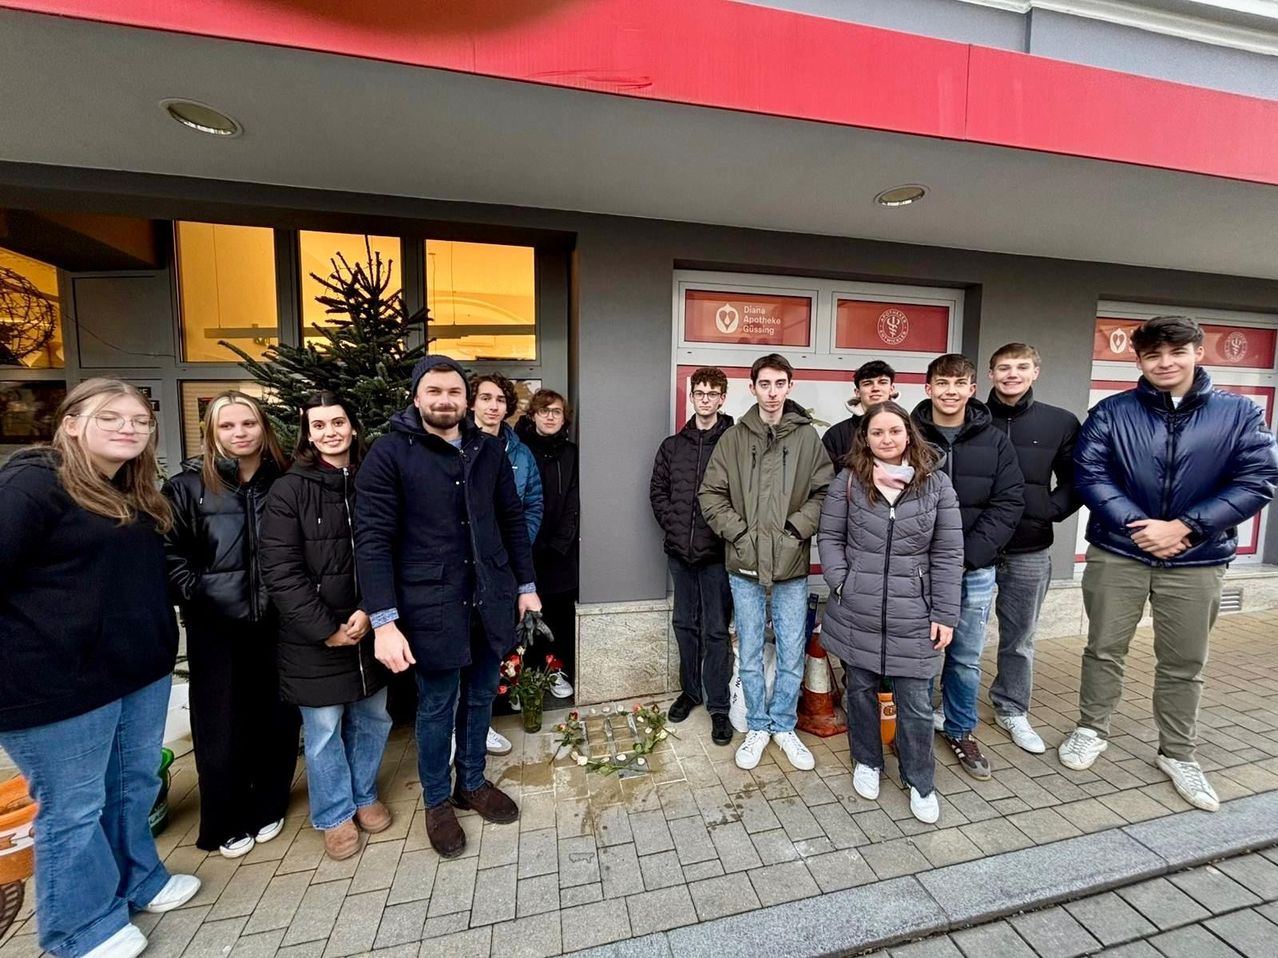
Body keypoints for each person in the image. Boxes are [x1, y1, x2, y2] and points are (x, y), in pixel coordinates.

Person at [0, 379, 200, 958]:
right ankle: (78, 928)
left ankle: (139, 880)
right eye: (111, 416)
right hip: (57, 686)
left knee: (129, 788)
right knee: (73, 809)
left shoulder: (132, 491)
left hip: (134, 674)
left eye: (139, 421)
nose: (128, 429)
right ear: (69, 422)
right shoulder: (30, 485)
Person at [1060, 315, 1278, 811]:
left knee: (1184, 661)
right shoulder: (1113, 411)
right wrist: (1142, 526)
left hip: (1197, 557)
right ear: (1138, 360)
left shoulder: (1239, 413)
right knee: (1103, 648)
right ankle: (1092, 729)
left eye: (1175, 352)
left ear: (1198, 353)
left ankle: (1178, 752)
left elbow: (1258, 478)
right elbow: (1090, 473)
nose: (1165, 362)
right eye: (1152, 354)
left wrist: (1184, 527)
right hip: (1119, 551)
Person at [356, 355, 540, 858]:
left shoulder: (489, 449)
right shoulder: (389, 454)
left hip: (489, 600)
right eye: (434, 391)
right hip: (429, 605)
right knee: (437, 706)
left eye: (453, 392)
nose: (444, 400)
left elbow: (511, 517)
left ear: (466, 398)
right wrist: (385, 623)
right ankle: (437, 801)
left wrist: (525, 585)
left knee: (481, 696)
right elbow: (372, 541)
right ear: (416, 397)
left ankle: (472, 782)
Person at [162, 390, 300, 858]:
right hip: (217, 627)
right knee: (221, 725)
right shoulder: (187, 487)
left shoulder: (284, 480)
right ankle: (224, 817)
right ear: (212, 433)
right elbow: (168, 556)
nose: (240, 433)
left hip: (279, 623)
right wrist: (204, 592)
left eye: (248, 424)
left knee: (277, 719)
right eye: (228, 426)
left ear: (264, 428)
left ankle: (269, 802)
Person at [260, 392, 392, 862]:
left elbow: (389, 548)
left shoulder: (372, 480)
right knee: (323, 730)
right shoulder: (289, 490)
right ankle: (334, 814)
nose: (330, 432)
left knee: (374, 718)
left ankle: (363, 796)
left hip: (369, 624)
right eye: (319, 425)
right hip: (313, 639)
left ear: (353, 427)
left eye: (337, 422)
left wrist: (368, 610)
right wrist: (326, 628)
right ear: (308, 434)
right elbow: (280, 570)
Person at [818, 402, 963, 823]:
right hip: (857, 608)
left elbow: (950, 552)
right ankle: (868, 762)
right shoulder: (848, 482)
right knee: (860, 691)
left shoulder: (935, 485)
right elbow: (829, 536)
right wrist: (843, 581)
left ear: (908, 434)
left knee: (916, 700)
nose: (886, 439)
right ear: (865, 438)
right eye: (877, 432)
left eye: (894, 431)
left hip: (914, 612)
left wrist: (945, 613)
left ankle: (920, 780)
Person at [699, 353, 834, 772]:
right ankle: (758, 725)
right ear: (752, 387)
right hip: (744, 566)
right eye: (765, 384)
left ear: (789, 387)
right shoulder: (735, 438)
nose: (772, 392)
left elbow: (824, 492)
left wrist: (795, 531)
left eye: (780, 384)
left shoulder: (807, 438)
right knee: (752, 651)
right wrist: (740, 534)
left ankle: (783, 725)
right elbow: (710, 494)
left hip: (792, 566)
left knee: (793, 651)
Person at [911, 354, 1024, 781]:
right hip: (918, 571)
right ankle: (916, 729)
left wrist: (967, 556)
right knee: (920, 656)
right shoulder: (908, 435)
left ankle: (960, 730)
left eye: (959, 383)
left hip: (974, 570)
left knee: (964, 657)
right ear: (928, 388)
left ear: (972, 389)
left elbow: (1009, 501)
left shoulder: (994, 440)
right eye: (942, 383)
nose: (950, 391)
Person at [985, 343, 1081, 754]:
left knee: (1019, 637)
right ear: (990, 374)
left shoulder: (1060, 422)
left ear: (1035, 372)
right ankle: (943, 705)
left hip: (1029, 548)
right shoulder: (970, 417)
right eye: (1003, 368)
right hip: (972, 550)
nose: (1012, 375)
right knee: (949, 635)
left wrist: (1049, 511)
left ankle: (1010, 707)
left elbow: (1079, 479)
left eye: (1021, 367)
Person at [649, 367, 735, 746]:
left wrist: (723, 532)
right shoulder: (672, 446)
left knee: (716, 630)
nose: (704, 398)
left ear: (722, 399)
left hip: (717, 554)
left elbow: (743, 497)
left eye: (711, 393)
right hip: (680, 554)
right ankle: (691, 692)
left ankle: (719, 705)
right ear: (692, 397)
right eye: (699, 392)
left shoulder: (733, 444)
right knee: (685, 624)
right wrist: (673, 525)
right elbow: (658, 492)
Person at [471, 372, 544, 754]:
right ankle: (455, 733)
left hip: (504, 568)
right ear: (472, 404)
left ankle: (480, 728)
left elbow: (532, 505)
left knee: (492, 647)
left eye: (500, 399)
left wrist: (516, 548)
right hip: (465, 567)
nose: (493, 406)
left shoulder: (520, 453)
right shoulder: (455, 447)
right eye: (485, 398)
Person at [515, 389, 579, 699]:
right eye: (544, 411)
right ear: (532, 416)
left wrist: (559, 544)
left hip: (560, 553)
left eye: (556, 411)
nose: (551, 416)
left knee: (559, 615)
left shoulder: (571, 453)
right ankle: (524, 678)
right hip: (524, 548)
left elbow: (574, 502)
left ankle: (555, 671)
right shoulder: (519, 451)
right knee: (523, 618)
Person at [822, 360, 897, 466]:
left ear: (892, 389)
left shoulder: (909, 429)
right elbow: (826, 476)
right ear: (857, 392)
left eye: (882, 382)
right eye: (867, 384)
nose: (875, 388)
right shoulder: (835, 435)